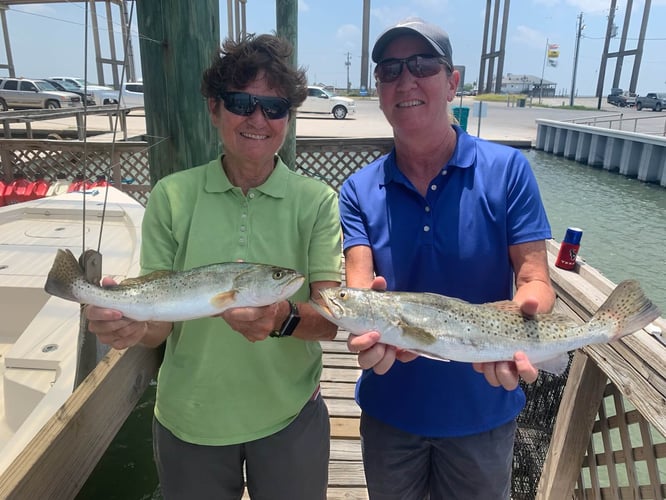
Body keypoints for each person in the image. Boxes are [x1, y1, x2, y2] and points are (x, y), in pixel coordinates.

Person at [86, 34, 341, 500]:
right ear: (214, 108)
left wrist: (281, 318)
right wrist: (128, 326)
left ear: (288, 116)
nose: (258, 119)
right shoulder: (171, 194)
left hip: (291, 415)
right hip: (189, 416)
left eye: (275, 107)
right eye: (242, 102)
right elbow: (159, 323)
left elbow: (329, 322)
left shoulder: (317, 201)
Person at [339, 18, 556, 500]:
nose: (406, 79)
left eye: (422, 65)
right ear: (379, 89)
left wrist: (528, 311)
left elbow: (534, 277)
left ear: (452, 81)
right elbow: (358, 287)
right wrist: (365, 331)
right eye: (390, 69)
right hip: (390, 410)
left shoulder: (509, 171)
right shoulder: (357, 190)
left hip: (484, 408)